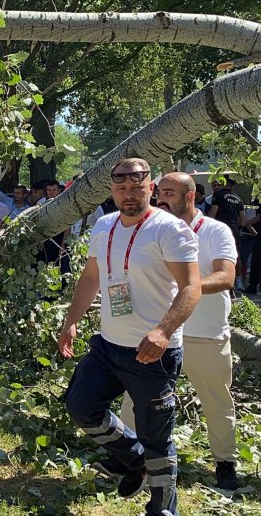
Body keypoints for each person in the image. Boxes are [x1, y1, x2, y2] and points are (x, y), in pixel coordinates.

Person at [59, 158, 201, 516]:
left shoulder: (169, 229)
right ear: (112, 190)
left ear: (150, 188)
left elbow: (191, 287)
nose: (128, 195)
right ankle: (134, 459)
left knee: (158, 436)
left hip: (152, 353)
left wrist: (163, 331)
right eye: (121, 188)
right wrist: (71, 320)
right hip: (108, 345)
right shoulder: (104, 225)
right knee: (80, 406)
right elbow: (91, 277)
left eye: (136, 188)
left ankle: (163, 508)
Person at [113, 172, 240, 490]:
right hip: (158, 334)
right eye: (159, 193)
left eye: (169, 192)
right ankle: (129, 463)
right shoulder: (149, 228)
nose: (161, 198)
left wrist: (188, 288)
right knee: (135, 400)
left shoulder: (215, 230)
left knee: (216, 402)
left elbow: (226, 277)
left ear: (191, 196)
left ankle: (225, 463)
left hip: (204, 334)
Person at [208, 177, 247, 290]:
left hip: (220, 229)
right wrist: (238, 227)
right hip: (234, 229)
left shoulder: (218, 195)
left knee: (217, 253)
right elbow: (243, 219)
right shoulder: (238, 198)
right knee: (237, 255)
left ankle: (219, 278)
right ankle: (238, 282)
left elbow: (212, 213)